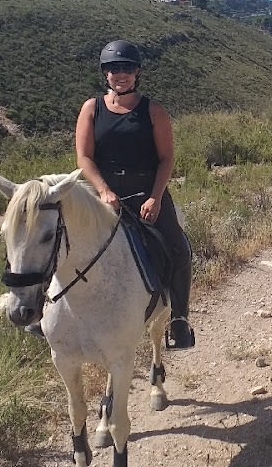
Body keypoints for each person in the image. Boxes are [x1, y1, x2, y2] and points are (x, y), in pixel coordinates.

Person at [73, 39, 196, 348]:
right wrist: (103, 190)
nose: (121, 74)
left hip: (146, 190)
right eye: (114, 69)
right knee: (60, 239)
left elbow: (166, 158)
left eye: (127, 68)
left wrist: (155, 197)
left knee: (179, 248)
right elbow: (84, 157)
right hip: (105, 193)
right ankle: (46, 314)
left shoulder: (152, 111)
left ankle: (179, 320)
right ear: (105, 74)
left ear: (137, 72)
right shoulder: (92, 108)